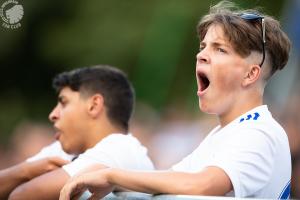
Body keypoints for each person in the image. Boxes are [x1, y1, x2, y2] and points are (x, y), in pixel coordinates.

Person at [59, 1, 292, 199]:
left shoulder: (259, 132)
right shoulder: (226, 133)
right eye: (203, 47)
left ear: (251, 74)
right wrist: (108, 175)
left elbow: (204, 185)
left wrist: (111, 175)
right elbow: (167, 184)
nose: (201, 55)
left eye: (219, 49)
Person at [1, 65, 154, 199]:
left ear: (94, 105)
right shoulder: (66, 150)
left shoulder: (120, 148)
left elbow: (21, 196)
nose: (53, 114)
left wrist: (24, 175)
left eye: (64, 102)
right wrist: (25, 171)